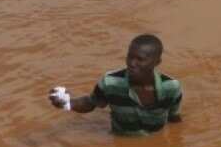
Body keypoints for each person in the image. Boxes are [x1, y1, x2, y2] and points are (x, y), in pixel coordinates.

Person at [49, 34, 183, 136]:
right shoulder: (109, 83)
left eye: (140, 59)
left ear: (157, 62)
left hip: (155, 143)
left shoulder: (171, 87)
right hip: (122, 140)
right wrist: (66, 103)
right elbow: (90, 103)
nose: (132, 63)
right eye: (130, 57)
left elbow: (174, 118)